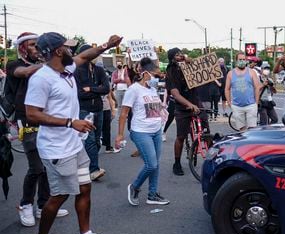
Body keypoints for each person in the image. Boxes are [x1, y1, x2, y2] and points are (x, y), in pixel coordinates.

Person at [25, 32, 120, 234]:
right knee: (60, 196)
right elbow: (32, 114)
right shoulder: (41, 78)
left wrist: (107, 45)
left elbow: (85, 56)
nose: (72, 51)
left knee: (85, 187)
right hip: (57, 149)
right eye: (68, 48)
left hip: (74, 145)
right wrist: (70, 122)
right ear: (58, 51)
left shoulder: (66, 70)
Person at [6, 32, 69, 227]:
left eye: (38, 45)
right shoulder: (15, 65)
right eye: (33, 45)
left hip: (45, 121)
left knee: (48, 166)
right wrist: (50, 62)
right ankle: (25, 205)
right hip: (28, 123)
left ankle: (43, 206)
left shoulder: (46, 67)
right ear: (23, 48)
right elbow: (23, 73)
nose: (36, 48)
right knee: (36, 168)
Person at [115, 57, 169, 206]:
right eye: (155, 75)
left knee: (155, 164)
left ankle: (152, 194)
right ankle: (134, 187)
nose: (156, 79)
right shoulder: (133, 90)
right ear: (146, 74)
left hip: (156, 131)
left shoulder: (152, 90)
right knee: (151, 164)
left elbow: (155, 109)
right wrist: (120, 135)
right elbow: (124, 113)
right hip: (140, 132)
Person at [166, 47, 205, 176]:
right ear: (172, 59)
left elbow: (203, 67)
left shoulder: (189, 66)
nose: (181, 56)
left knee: (206, 130)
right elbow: (175, 94)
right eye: (177, 55)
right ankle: (176, 163)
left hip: (196, 103)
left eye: (181, 54)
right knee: (181, 136)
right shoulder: (171, 72)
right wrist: (189, 104)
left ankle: (213, 159)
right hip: (182, 107)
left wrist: (191, 61)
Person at [74, 44, 110, 181]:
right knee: (89, 140)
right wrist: (96, 89)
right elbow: (79, 93)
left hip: (98, 109)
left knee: (96, 140)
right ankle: (94, 169)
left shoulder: (98, 70)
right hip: (84, 110)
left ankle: (87, 163)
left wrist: (91, 89)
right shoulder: (76, 71)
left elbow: (106, 88)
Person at [225, 52, 261, 131]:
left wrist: (256, 102)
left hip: (251, 105)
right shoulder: (230, 74)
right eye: (240, 59)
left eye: (244, 59)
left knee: (252, 130)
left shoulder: (251, 72)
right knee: (241, 131)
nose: (242, 61)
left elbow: (257, 87)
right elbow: (227, 89)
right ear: (236, 61)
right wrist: (229, 103)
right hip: (237, 106)